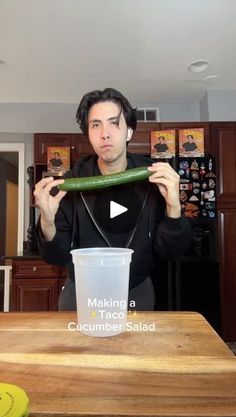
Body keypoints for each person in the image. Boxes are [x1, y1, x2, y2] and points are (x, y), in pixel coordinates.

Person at [34, 87, 192, 311]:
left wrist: (174, 207)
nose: (105, 133)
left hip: (136, 291)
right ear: (88, 134)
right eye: (95, 125)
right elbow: (56, 257)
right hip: (81, 293)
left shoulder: (153, 178)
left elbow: (171, 251)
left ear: (128, 132)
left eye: (114, 123)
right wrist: (47, 222)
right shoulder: (70, 184)